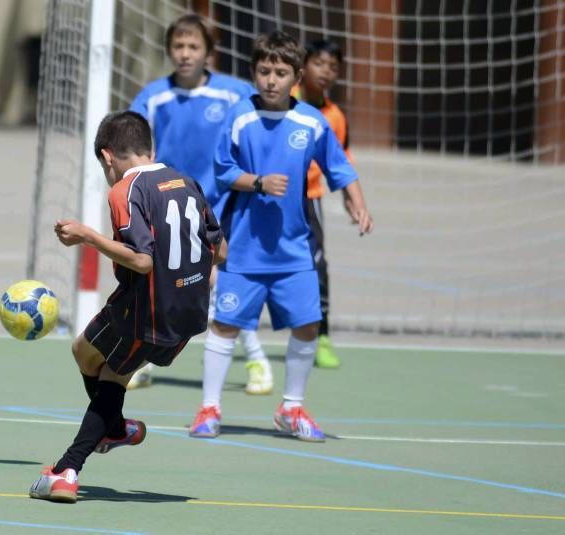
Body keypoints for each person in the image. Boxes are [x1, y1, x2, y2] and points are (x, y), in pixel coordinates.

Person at [29, 111, 226, 504]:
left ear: (107, 157)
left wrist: (87, 235)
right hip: (186, 310)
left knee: (113, 377)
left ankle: (67, 471)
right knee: (84, 351)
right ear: (150, 148)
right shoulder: (185, 181)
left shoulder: (124, 191)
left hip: (148, 310)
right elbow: (218, 249)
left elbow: (142, 261)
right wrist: (194, 288)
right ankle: (115, 429)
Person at [189, 31, 373, 442]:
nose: (271, 79)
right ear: (254, 73)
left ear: (296, 76)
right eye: (264, 71)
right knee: (224, 325)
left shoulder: (312, 121)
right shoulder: (239, 117)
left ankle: (291, 408)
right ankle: (209, 408)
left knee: (308, 326)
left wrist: (357, 203)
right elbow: (221, 170)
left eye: (281, 72)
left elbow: (340, 168)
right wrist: (256, 182)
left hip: (294, 250)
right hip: (244, 250)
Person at [129, 13, 272, 395]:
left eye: (194, 46)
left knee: (220, 286)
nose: (186, 53)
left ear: (209, 52)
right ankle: (139, 361)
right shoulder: (154, 96)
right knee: (160, 287)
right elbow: (135, 144)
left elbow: (260, 128)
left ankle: (257, 360)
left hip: (219, 206)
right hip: (169, 207)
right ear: (169, 51)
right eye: (178, 46)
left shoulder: (233, 93)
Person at [292, 39, 354, 369]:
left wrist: (350, 198)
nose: (326, 72)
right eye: (320, 63)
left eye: (333, 66)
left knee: (317, 266)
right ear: (304, 66)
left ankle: (322, 335)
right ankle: (237, 335)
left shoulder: (336, 117)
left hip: (310, 198)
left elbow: (341, 162)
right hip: (271, 196)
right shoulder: (283, 102)